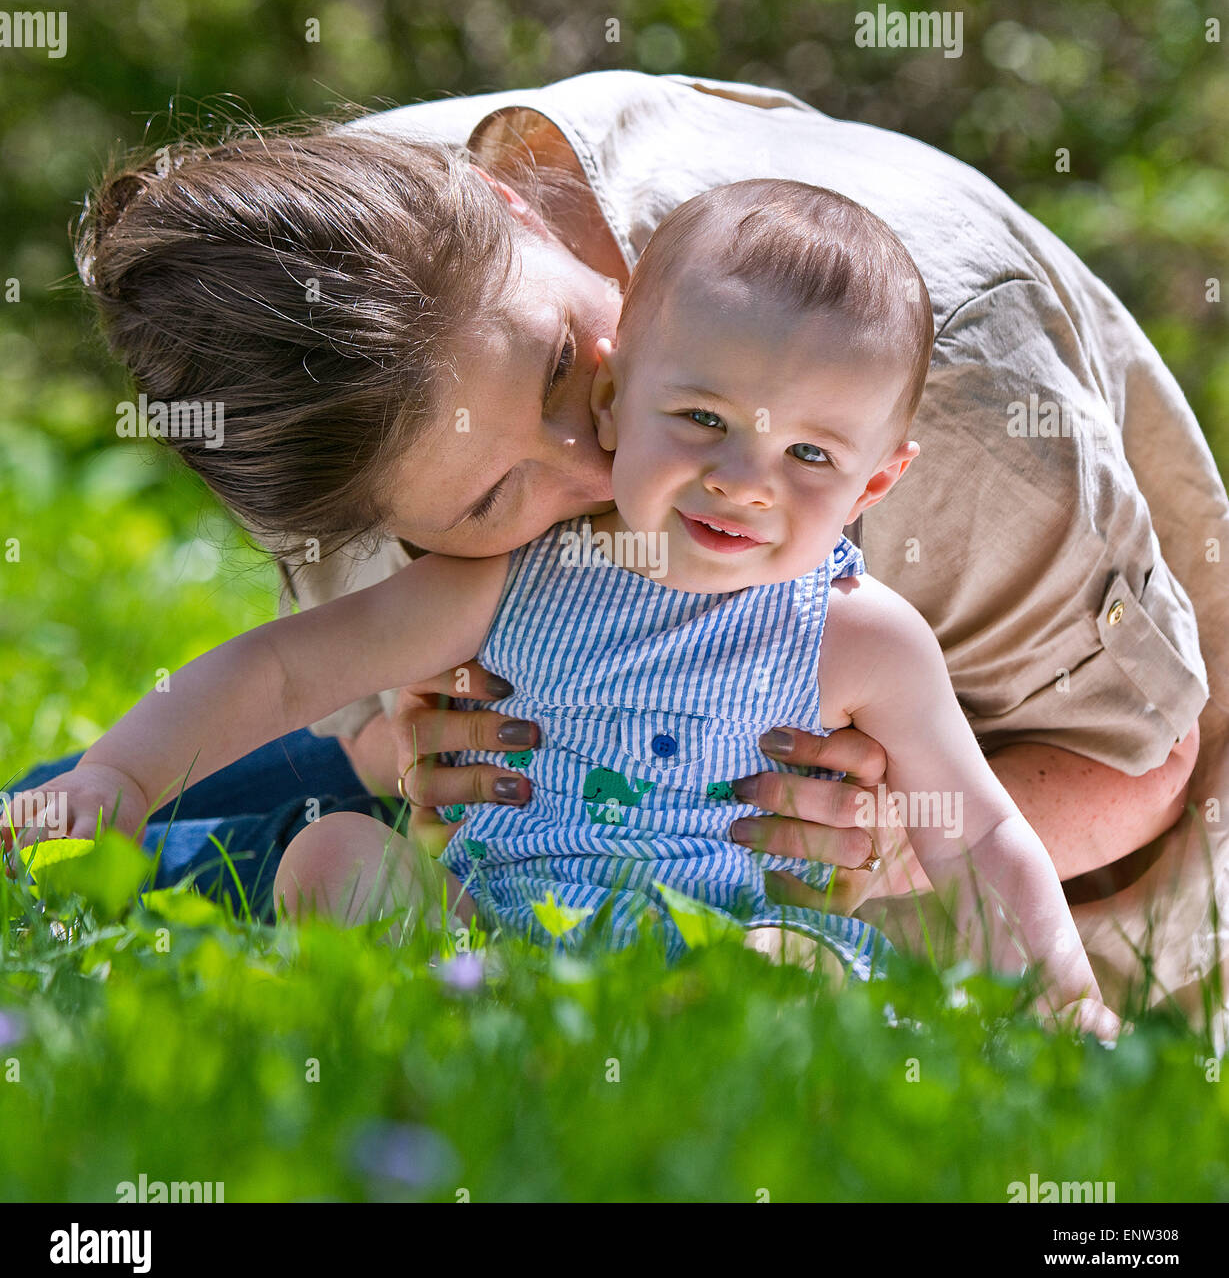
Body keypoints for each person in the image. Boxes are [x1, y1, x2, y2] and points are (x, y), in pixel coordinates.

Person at [14, 68, 1227, 1028]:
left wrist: (894, 848)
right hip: (504, 907)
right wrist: (388, 747)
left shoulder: (906, 371)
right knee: (121, 837)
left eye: (559, 370)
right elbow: (284, 674)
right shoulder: (308, 353)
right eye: (493, 494)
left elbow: (1122, 774)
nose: (601, 465)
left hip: (911, 875)